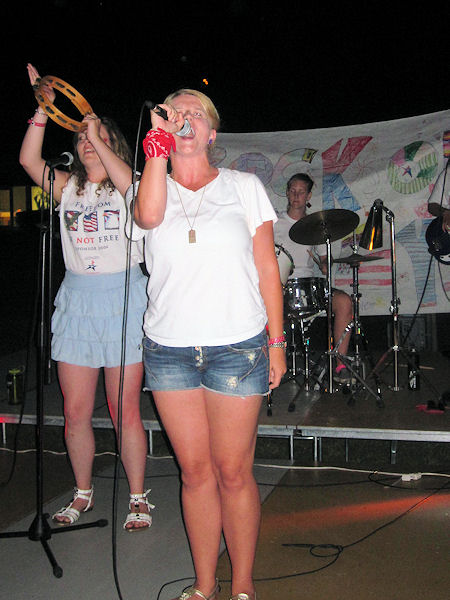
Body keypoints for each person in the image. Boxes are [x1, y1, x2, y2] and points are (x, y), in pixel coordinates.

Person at [128, 89, 286, 600]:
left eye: (196, 113)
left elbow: (267, 268)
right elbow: (148, 218)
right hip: (169, 350)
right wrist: (156, 150)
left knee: (233, 472)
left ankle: (242, 585)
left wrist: (278, 342)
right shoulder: (149, 186)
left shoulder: (244, 187)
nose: (186, 119)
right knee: (194, 473)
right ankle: (203, 584)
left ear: (213, 133)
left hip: (236, 348)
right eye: (177, 112)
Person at [19, 64, 153, 531]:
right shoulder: (68, 187)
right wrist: (42, 109)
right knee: (75, 411)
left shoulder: (131, 183)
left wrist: (97, 132)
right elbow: (28, 161)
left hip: (122, 299)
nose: (86, 144)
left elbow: (131, 184)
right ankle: (82, 493)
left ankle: (138, 496)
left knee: (123, 410)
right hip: (78, 300)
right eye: (80, 139)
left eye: (96, 137)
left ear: (113, 143)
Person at [274, 173, 354, 384]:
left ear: (308, 196)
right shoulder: (274, 222)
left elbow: (324, 260)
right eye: (292, 190)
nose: (296, 195)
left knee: (344, 302)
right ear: (287, 192)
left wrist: (325, 265)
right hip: (279, 288)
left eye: (301, 192)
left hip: (309, 288)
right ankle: (270, 363)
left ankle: (340, 363)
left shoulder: (316, 224)